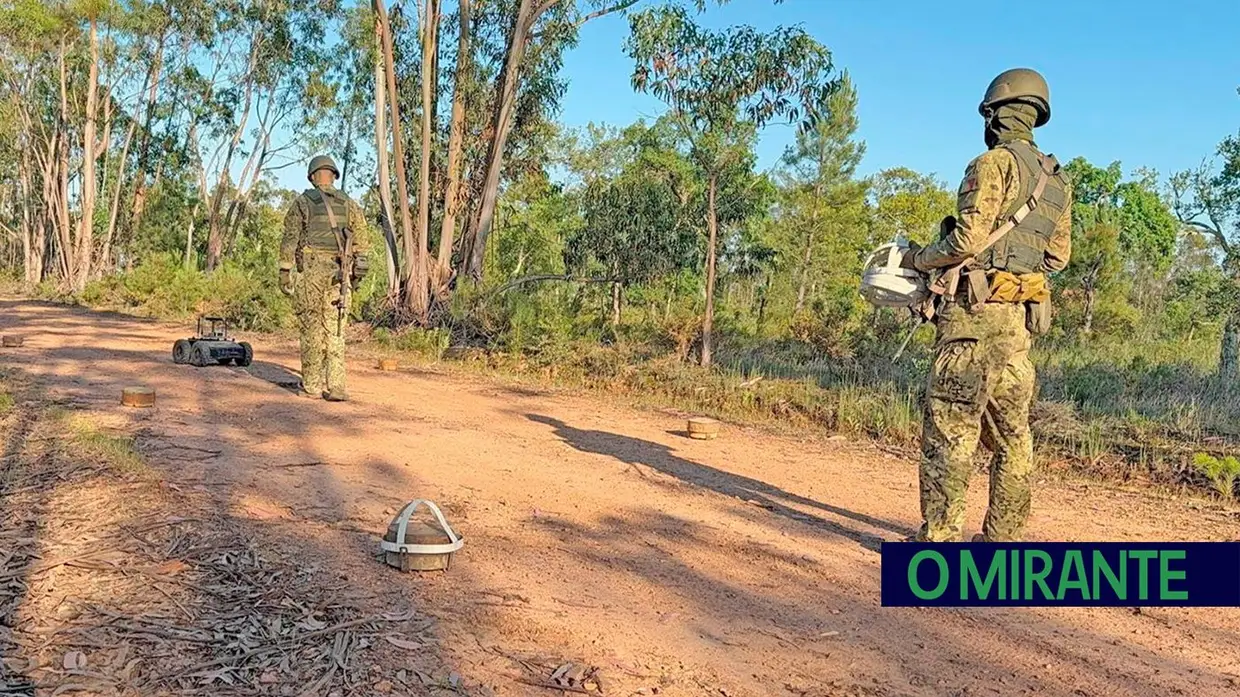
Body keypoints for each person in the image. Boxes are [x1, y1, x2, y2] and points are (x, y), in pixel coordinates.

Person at [903, 68, 1072, 542]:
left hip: (972, 323)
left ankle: (938, 543)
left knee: (951, 430)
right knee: (1013, 436)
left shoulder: (992, 164)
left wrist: (920, 258)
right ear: (1036, 115)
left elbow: (968, 238)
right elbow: (1058, 257)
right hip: (1017, 328)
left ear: (995, 113)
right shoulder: (1057, 181)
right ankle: (1002, 541)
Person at [279, 155, 370, 402]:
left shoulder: (303, 202)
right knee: (337, 327)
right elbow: (362, 242)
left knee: (312, 327)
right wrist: (356, 275)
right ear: (333, 175)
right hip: (339, 272)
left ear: (312, 176)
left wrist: (285, 271)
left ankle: (312, 386)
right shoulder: (349, 204)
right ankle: (337, 386)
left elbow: (290, 238)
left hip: (311, 271)